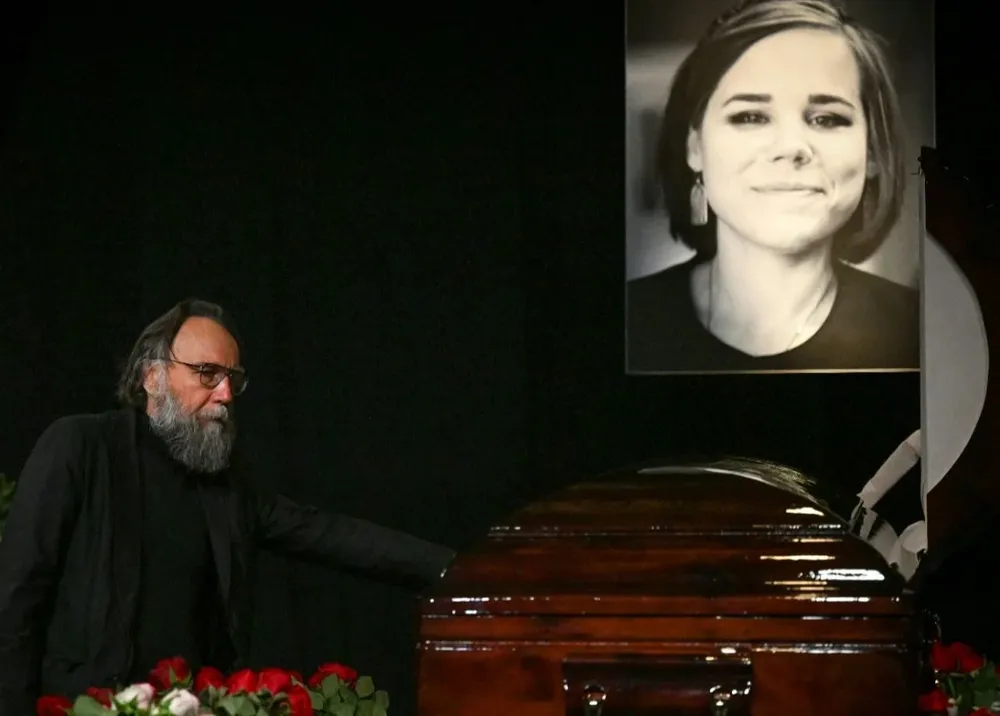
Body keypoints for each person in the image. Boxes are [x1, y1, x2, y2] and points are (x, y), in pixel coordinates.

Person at [0, 299, 456, 713]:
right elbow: (16, 601)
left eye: (232, 379)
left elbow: (330, 534)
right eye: (207, 374)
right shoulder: (78, 448)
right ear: (152, 376)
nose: (225, 395)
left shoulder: (228, 487)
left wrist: (459, 569)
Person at [626, 0, 920, 373]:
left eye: (827, 119)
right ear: (696, 147)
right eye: (750, 116)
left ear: (874, 152)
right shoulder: (622, 323)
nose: (790, 147)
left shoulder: (923, 333)